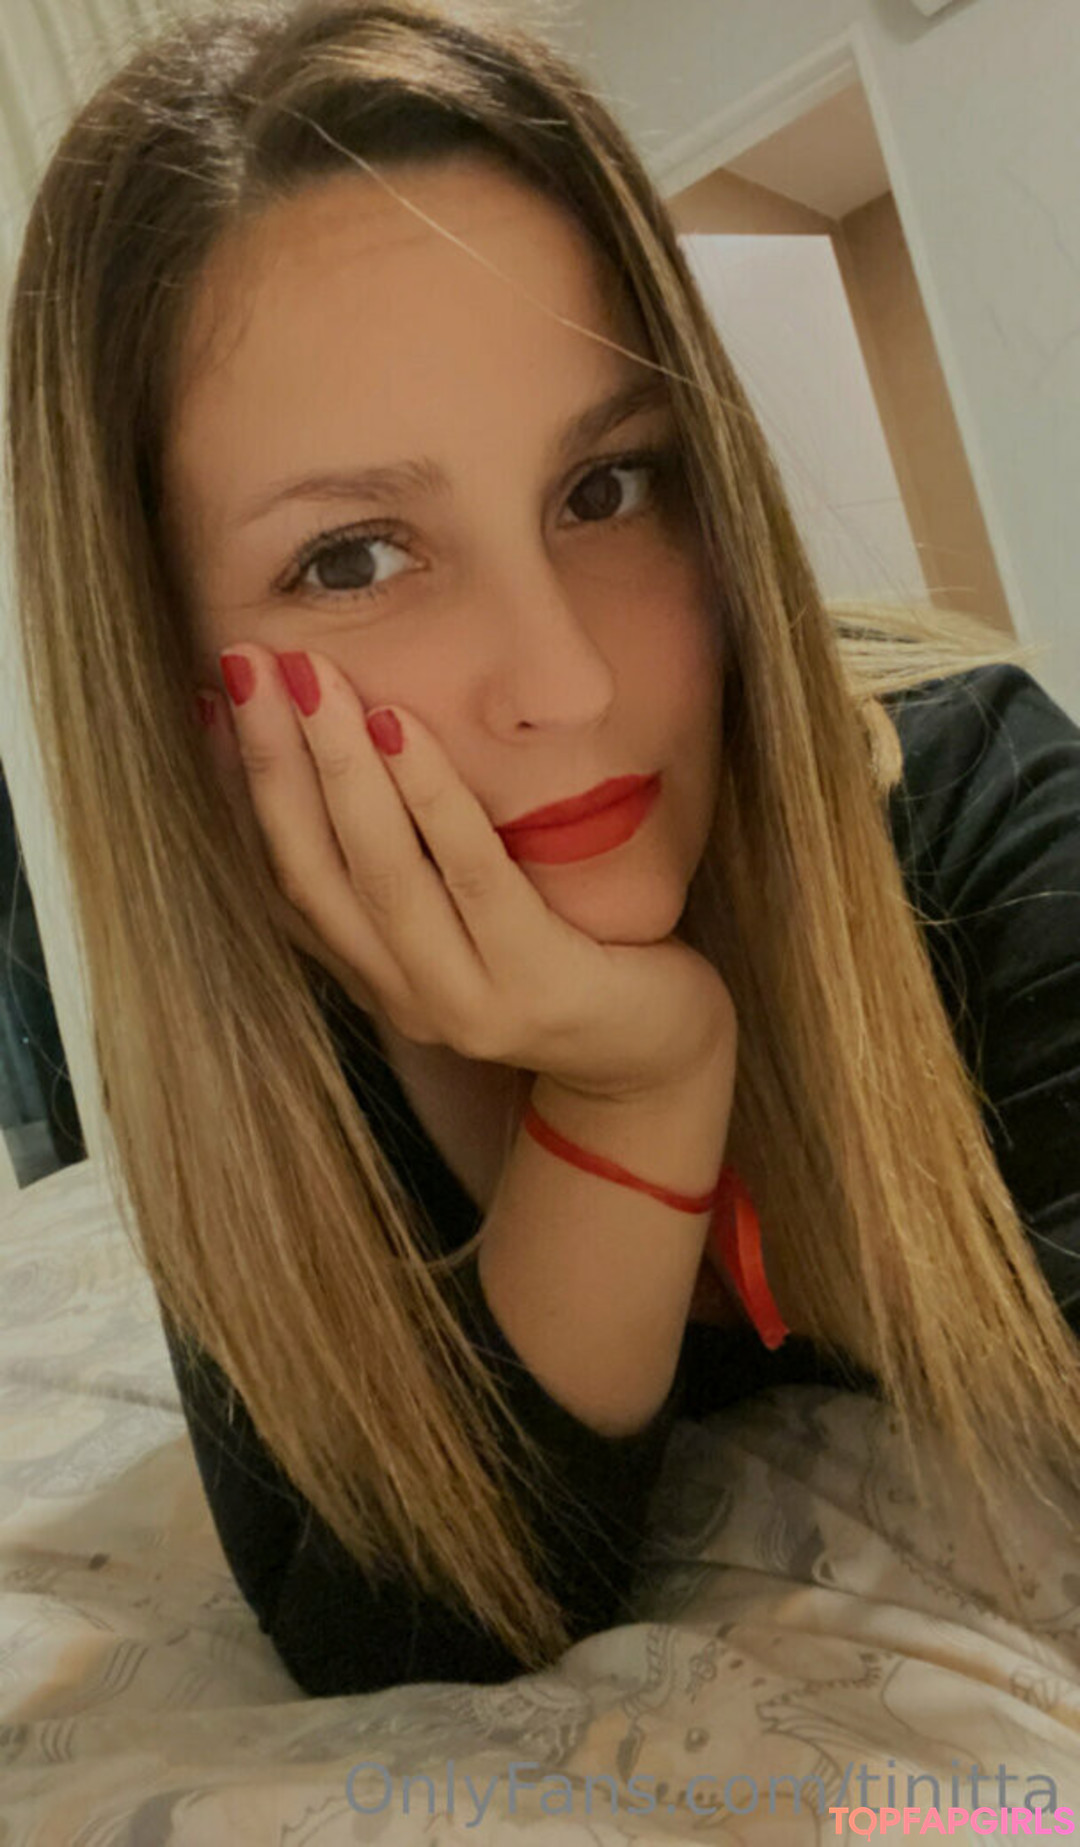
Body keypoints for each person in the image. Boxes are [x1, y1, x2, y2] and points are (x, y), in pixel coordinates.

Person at [5, 0, 1079, 1699]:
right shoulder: (265, 1054)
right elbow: (394, 1636)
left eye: (606, 488)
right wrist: (633, 1087)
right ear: (165, 682)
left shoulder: (977, 820)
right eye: (354, 559)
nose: (567, 681)